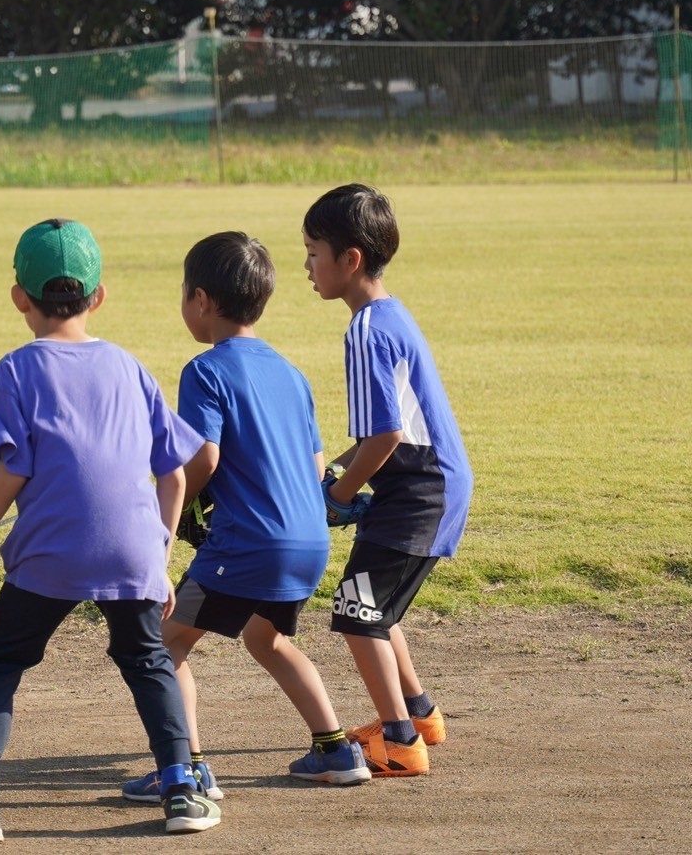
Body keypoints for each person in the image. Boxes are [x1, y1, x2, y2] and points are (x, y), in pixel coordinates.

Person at [0, 219, 221, 844]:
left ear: (19, 297)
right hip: (133, 549)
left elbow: (15, 469)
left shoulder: (14, 371)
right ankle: (182, 788)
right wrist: (158, 556)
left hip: (51, 553)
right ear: (99, 295)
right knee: (148, 662)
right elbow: (176, 474)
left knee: (0, 662)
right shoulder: (131, 368)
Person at [120, 231, 372, 803]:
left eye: (185, 293)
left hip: (248, 545)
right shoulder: (292, 374)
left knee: (163, 645)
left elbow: (204, 458)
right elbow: (311, 467)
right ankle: (336, 750)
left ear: (202, 301)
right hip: (307, 541)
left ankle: (186, 768)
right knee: (269, 639)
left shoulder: (205, 370)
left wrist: (176, 506)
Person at [301, 184, 474, 778]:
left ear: (350, 260)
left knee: (356, 611)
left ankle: (400, 742)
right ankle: (419, 714)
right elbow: (385, 431)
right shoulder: (390, 314)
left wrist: (338, 495)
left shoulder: (366, 330)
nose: (307, 267)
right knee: (375, 607)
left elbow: (386, 439)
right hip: (431, 484)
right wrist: (340, 471)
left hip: (419, 490)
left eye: (313, 252)